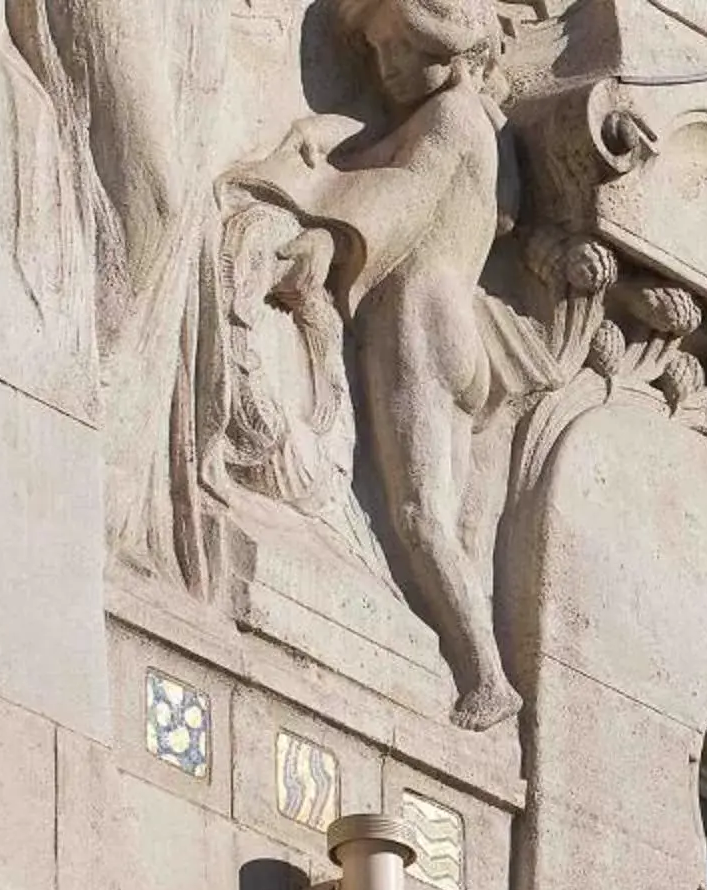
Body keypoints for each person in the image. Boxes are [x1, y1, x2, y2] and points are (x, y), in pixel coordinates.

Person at [230, 0, 524, 730]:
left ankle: (486, 676)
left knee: (420, 515)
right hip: (460, 330)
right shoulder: (472, 123)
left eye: (402, 48)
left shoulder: (451, 122)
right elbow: (388, 168)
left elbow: (404, 195)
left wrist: (330, 234)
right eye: (379, 49)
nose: (386, 66)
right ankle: (473, 652)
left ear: (450, 49)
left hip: (420, 316)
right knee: (445, 519)